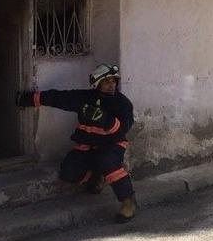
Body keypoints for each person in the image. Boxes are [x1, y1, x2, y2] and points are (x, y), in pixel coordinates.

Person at [18, 63, 137, 223]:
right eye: (107, 81)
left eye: (113, 81)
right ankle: (96, 175)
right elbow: (59, 98)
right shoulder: (85, 98)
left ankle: (128, 202)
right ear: (97, 83)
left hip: (111, 145)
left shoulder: (123, 104)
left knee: (109, 162)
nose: (112, 85)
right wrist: (29, 99)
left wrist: (105, 120)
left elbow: (122, 129)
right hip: (87, 146)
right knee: (68, 172)